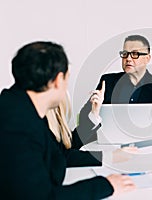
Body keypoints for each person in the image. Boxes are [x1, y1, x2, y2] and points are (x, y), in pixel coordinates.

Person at [0, 41, 135, 199]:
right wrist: (106, 185)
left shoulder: (19, 106)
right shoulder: (18, 126)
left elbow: (59, 154)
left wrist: (110, 157)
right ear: (58, 79)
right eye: (67, 79)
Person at [79, 34, 152, 140]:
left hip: (147, 148)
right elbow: (83, 117)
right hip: (110, 147)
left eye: (135, 54)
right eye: (125, 54)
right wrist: (93, 111)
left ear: (147, 58)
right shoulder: (108, 82)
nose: (128, 59)